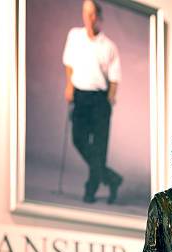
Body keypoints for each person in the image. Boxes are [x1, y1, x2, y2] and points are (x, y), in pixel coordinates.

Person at [63, 0, 123, 204]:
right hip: (80, 96)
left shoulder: (109, 46)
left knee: (99, 148)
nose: (89, 18)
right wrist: (69, 85)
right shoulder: (74, 36)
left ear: (99, 16)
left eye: (92, 14)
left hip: (100, 100)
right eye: (85, 13)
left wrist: (110, 98)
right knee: (78, 139)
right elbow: (69, 63)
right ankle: (112, 179)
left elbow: (114, 77)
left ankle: (91, 189)